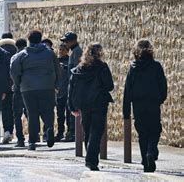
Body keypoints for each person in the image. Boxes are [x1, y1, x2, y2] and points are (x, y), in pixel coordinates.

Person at [10, 30, 60, 151]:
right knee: (48, 111)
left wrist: (18, 84)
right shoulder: (49, 53)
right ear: (41, 39)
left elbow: (14, 70)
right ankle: (48, 129)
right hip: (47, 86)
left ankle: (32, 141)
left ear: (29, 40)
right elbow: (57, 69)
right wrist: (56, 84)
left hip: (28, 88)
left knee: (32, 113)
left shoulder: (22, 54)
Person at [123, 39, 167, 173]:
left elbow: (127, 91)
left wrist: (126, 111)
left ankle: (145, 162)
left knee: (142, 134)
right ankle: (151, 151)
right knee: (155, 130)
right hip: (153, 104)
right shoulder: (156, 66)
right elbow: (163, 87)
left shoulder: (133, 68)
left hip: (138, 105)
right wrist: (160, 99)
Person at [68, 43, 114, 171]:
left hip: (83, 105)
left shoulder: (79, 68)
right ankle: (91, 160)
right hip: (99, 103)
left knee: (87, 132)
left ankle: (91, 158)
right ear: (100, 53)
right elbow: (109, 86)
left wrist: (71, 106)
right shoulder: (102, 67)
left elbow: (71, 87)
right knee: (96, 132)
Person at [60, 31, 82, 142]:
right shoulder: (74, 51)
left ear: (73, 41)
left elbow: (77, 70)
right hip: (71, 84)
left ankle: (74, 133)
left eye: (66, 41)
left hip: (75, 85)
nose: (65, 44)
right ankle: (72, 132)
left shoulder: (77, 52)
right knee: (70, 110)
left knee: (74, 110)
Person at [0, 37, 17, 144]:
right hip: (16, 86)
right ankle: (15, 131)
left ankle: (7, 130)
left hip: (3, 87)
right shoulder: (16, 51)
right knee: (15, 110)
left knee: (5, 110)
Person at [55, 43, 70, 142]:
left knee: (69, 114)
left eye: (63, 50)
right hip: (59, 91)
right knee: (60, 114)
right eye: (60, 50)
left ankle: (70, 132)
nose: (60, 52)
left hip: (67, 91)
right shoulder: (56, 61)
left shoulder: (69, 61)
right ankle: (60, 133)